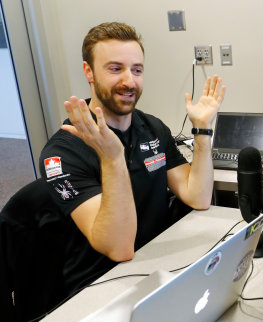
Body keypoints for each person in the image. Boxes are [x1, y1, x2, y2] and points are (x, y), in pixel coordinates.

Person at [39, 22, 225, 292]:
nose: (129, 81)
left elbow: (197, 196)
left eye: (136, 70)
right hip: (100, 286)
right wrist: (113, 158)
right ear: (88, 72)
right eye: (115, 69)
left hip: (158, 267)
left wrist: (202, 130)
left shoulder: (152, 128)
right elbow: (119, 249)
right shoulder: (63, 152)